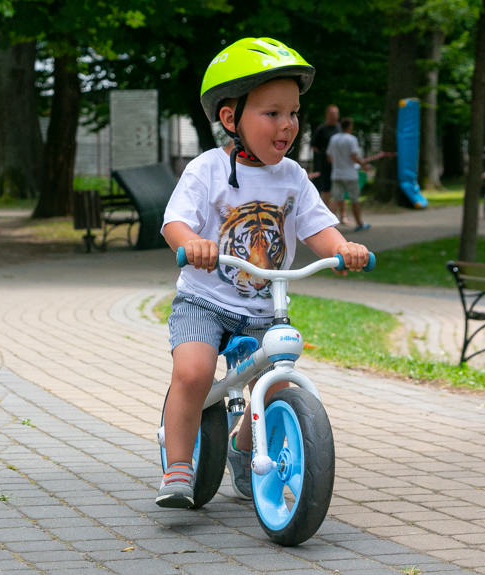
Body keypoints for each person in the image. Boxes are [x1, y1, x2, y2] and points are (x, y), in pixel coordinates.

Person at [158, 37, 370, 508]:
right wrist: (190, 243)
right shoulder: (208, 169)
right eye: (272, 113)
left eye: (293, 113)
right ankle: (177, 467)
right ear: (231, 119)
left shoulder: (293, 176)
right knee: (193, 373)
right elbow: (175, 222)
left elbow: (320, 229)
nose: (287, 125)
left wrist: (344, 249)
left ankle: (244, 445)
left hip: (263, 307)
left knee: (278, 384)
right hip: (204, 301)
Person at [326, 117, 372, 232]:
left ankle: (326, 225)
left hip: (336, 174)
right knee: (355, 200)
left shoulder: (333, 139)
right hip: (350, 174)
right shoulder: (351, 139)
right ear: (349, 127)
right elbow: (354, 157)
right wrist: (364, 165)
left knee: (336, 199)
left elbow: (329, 157)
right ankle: (359, 223)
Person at [310, 104, 340, 211]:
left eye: (336, 113)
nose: (335, 116)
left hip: (339, 165)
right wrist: (324, 155)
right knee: (326, 189)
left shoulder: (340, 128)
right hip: (325, 165)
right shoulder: (321, 129)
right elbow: (314, 146)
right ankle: (324, 212)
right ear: (327, 115)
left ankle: (343, 215)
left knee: (340, 190)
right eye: (332, 113)